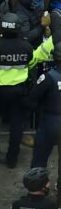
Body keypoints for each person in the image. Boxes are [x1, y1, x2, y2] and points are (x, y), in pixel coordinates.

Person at [0, 13, 53, 168]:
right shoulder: (26, 47)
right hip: (19, 92)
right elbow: (32, 62)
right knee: (16, 125)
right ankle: (12, 159)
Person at [29, 44, 61, 192]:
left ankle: (37, 189)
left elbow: (33, 97)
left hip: (51, 121)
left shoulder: (49, 77)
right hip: (53, 119)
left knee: (40, 157)